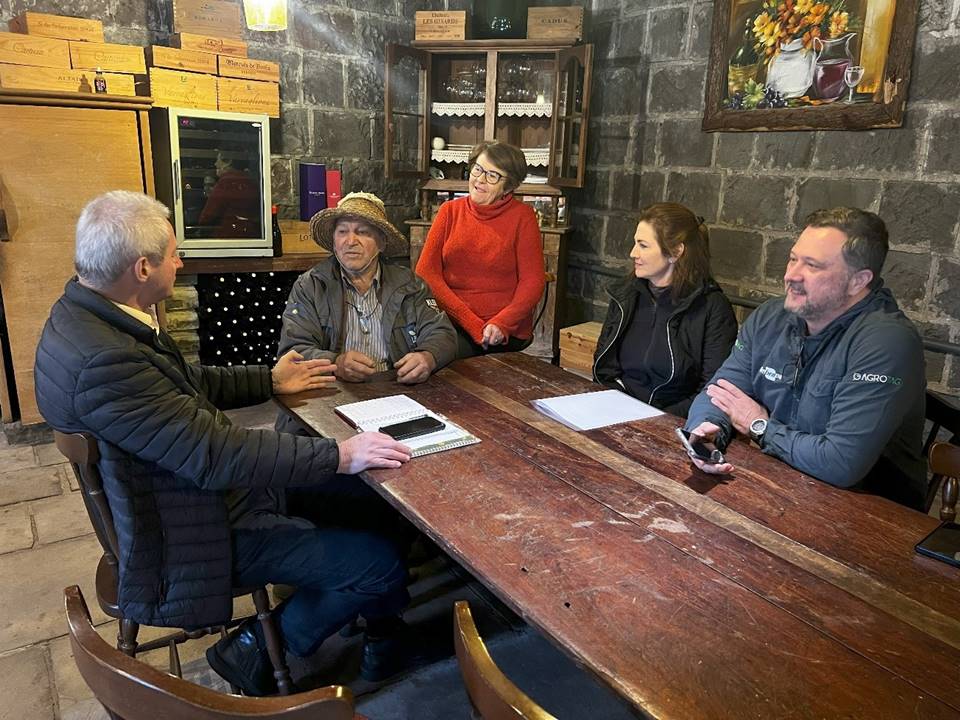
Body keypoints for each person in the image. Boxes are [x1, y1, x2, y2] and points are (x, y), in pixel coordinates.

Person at [33, 191, 420, 695]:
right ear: (144, 267)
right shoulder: (106, 360)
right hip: (186, 531)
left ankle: (380, 630)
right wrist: (339, 454)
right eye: (174, 254)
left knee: (366, 499)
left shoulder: (91, 317)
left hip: (181, 498)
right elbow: (217, 455)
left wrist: (268, 381)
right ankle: (256, 647)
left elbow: (186, 382)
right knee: (378, 562)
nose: (182, 260)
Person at [684, 207, 927, 509]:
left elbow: (840, 463)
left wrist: (759, 425)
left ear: (857, 281)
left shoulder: (887, 343)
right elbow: (721, 391)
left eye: (812, 266)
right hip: (779, 486)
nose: (791, 275)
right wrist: (709, 430)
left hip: (865, 513)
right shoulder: (771, 317)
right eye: (793, 258)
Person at [277, 191, 456, 390]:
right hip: (330, 391)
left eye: (362, 232)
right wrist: (336, 363)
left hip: (396, 388)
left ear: (381, 242)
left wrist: (428, 356)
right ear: (334, 242)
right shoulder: (311, 285)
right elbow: (293, 350)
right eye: (342, 232)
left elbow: (441, 332)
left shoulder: (410, 284)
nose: (350, 241)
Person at [592, 203, 737, 417]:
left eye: (643, 245)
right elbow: (604, 368)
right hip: (617, 411)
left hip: (672, 420)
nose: (633, 253)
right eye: (635, 243)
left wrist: (657, 419)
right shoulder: (626, 295)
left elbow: (711, 390)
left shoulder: (712, 308)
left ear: (675, 252)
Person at [416, 140, 545, 358]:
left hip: (502, 329)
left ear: (510, 186)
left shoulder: (523, 217)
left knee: (437, 359)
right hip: (455, 321)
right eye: (478, 169)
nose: (479, 180)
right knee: (414, 350)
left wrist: (502, 323)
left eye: (492, 176)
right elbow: (426, 273)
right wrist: (471, 323)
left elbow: (532, 281)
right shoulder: (449, 211)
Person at [198, 152, 259, 238]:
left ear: (228, 162)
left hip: (228, 235)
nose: (215, 164)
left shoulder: (226, 181)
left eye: (217, 160)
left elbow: (208, 216)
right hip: (251, 235)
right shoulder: (251, 182)